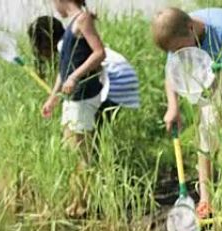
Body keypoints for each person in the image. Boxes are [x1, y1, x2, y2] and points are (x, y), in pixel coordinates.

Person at [152, 7, 222, 220]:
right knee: (206, 136)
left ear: (191, 28)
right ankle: (206, 200)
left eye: (179, 49)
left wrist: (221, 76)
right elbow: (172, 74)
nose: (178, 54)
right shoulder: (175, 40)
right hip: (208, 84)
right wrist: (173, 107)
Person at [40, 0, 106, 218]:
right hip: (71, 98)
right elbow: (64, 67)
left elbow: (99, 53)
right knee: (71, 151)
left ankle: (82, 205)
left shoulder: (83, 19)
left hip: (83, 97)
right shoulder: (71, 25)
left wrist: (76, 77)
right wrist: (53, 98)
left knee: (79, 153)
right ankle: (76, 202)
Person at [28, 15, 140, 127]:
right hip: (126, 75)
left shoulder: (64, 46)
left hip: (115, 78)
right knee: (98, 125)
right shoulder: (71, 40)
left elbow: (64, 75)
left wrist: (57, 95)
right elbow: (64, 73)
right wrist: (54, 97)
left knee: (91, 126)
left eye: (42, 48)